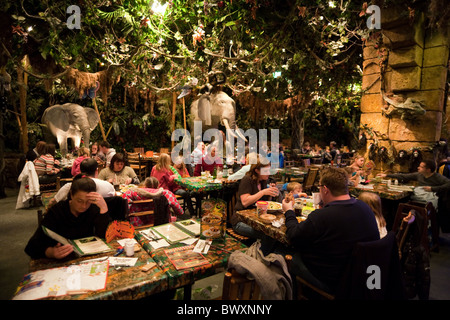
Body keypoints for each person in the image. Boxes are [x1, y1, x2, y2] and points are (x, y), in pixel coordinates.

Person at [280, 167, 379, 294]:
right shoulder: (365, 207)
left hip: (335, 282)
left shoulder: (322, 216)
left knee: (284, 255)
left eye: (320, 187)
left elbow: (293, 236)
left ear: (325, 189)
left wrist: (289, 211)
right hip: (363, 277)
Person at [25, 177, 111, 259]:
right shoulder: (57, 211)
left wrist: (104, 209)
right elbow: (31, 246)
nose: (84, 206)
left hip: (87, 258)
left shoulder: (93, 208)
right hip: (63, 261)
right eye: (79, 201)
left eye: (88, 201)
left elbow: (104, 237)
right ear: (71, 195)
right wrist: (51, 252)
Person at [232, 158, 280, 248]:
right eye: (265, 171)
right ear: (257, 170)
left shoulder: (263, 181)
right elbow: (245, 202)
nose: (268, 173)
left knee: (274, 231)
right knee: (268, 235)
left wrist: (270, 192)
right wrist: (263, 192)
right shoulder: (247, 179)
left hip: (256, 219)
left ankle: (267, 255)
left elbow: (264, 202)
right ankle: (261, 257)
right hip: (240, 221)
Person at [49, 158, 115, 208]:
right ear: (96, 170)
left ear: (80, 171)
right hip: (103, 222)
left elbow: (53, 203)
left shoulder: (70, 186)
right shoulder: (108, 186)